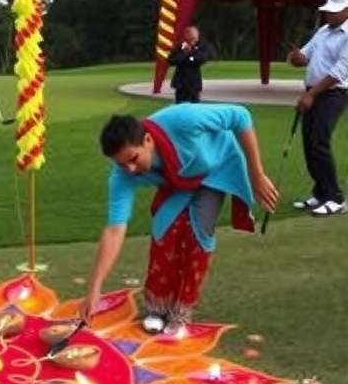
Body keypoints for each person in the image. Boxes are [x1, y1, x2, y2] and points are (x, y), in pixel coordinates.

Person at [80, 103, 279, 335]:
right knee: (164, 231)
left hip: (215, 168)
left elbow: (241, 116)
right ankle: (159, 307)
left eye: (133, 159)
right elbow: (115, 229)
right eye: (121, 164)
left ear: (147, 140)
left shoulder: (183, 119)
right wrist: (94, 288)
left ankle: (180, 312)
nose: (131, 169)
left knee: (198, 234)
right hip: (178, 181)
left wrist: (256, 174)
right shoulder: (121, 176)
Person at [288, 0, 348, 217]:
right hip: (313, 91)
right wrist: (297, 58)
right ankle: (321, 193)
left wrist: (311, 94)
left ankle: (335, 198)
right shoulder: (323, 30)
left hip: (333, 94)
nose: (328, 16)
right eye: (327, 11)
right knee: (309, 142)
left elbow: (339, 71)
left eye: (334, 12)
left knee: (319, 141)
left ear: (346, 11)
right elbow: (305, 55)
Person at [167, 26, 209, 104]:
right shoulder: (180, 46)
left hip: (194, 82)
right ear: (186, 36)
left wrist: (190, 56)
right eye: (192, 37)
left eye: (196, 37)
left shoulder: (201, 46)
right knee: (180, 104)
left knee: (194, 105)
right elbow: (171, 60)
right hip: (181, 82)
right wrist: (184, 55)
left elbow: (201, 59)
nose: (195, 39)